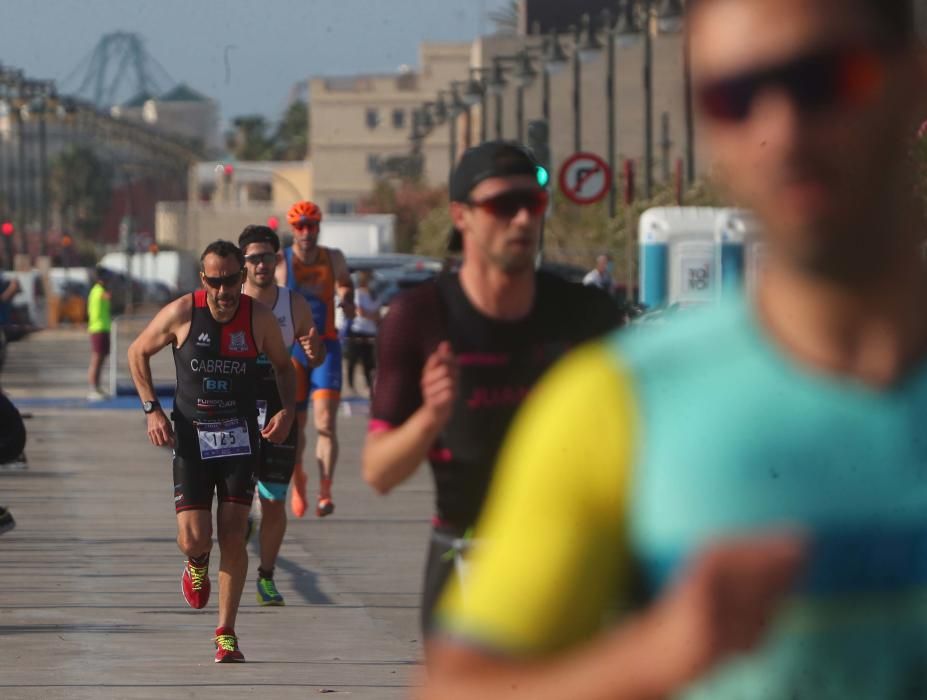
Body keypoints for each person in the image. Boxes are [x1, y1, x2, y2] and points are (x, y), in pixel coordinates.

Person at [423, 1, 927, 698]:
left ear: (912, 82)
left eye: (822, 80)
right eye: (734, 98)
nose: (781, 130)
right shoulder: (623, 399)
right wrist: (658, 655)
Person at [362, 141, 623, 636]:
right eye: (503, 206)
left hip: (571, 561)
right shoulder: (419, 318)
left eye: (534, 204)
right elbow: (378, 471)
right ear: (461, 216)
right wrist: (430, 418)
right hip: (466, 559)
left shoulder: (588, 314)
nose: (523, 219)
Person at [128, 240, 298, 663]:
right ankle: (197, 562)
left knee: (235, 534)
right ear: (203, 280)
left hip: (240, 440)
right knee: (195, 537)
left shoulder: (257, 318)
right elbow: (137, 351)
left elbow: (282, 365)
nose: (224, 292)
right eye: (216, 282)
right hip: (191, 438)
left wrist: (289, 411)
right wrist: (152, 410)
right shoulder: (183, 312)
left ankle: (226, 633)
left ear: (243, 277)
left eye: (231, 281)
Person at [238, 224, 324, 606]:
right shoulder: (229, 300)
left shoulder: (294, 304)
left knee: (274, 500)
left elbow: (315, 357)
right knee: (232, 500)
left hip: (279, 411)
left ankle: (266, 576)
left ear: (278, 260)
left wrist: (314, 347)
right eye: (254, 258)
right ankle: (239, 528)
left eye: (268, 257)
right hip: (235, 411)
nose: (261, 265)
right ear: (242, 264)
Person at [275, 201, 355, 519]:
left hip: (327, 347)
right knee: (297, 425)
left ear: (319, 227)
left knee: (326, 423)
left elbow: (346, 282)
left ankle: (325, 490)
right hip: (294, 351)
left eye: (311, 226)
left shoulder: (333, 258)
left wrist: (347, 298)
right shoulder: (282, 262)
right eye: (299, 226)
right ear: (292, 230)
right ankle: (298, 481)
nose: (306, 232)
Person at [344, 269, 380, 397]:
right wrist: (371, 315)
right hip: (358, 331)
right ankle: (350, 385)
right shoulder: (357, 294)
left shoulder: (374, 295)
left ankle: (369, 386)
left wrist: (372, 316)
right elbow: (360, 311)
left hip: (371, 333)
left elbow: (378, 314)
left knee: (369, 361)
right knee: (353, 359)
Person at [86, 267, 112, 401]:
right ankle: (92, 387)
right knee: (96, 359)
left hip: (102, 328)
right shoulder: (98, 291)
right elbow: (108, 296)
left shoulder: (97, 291)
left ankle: (97, 386)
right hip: (98, 328)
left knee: (100, 359)